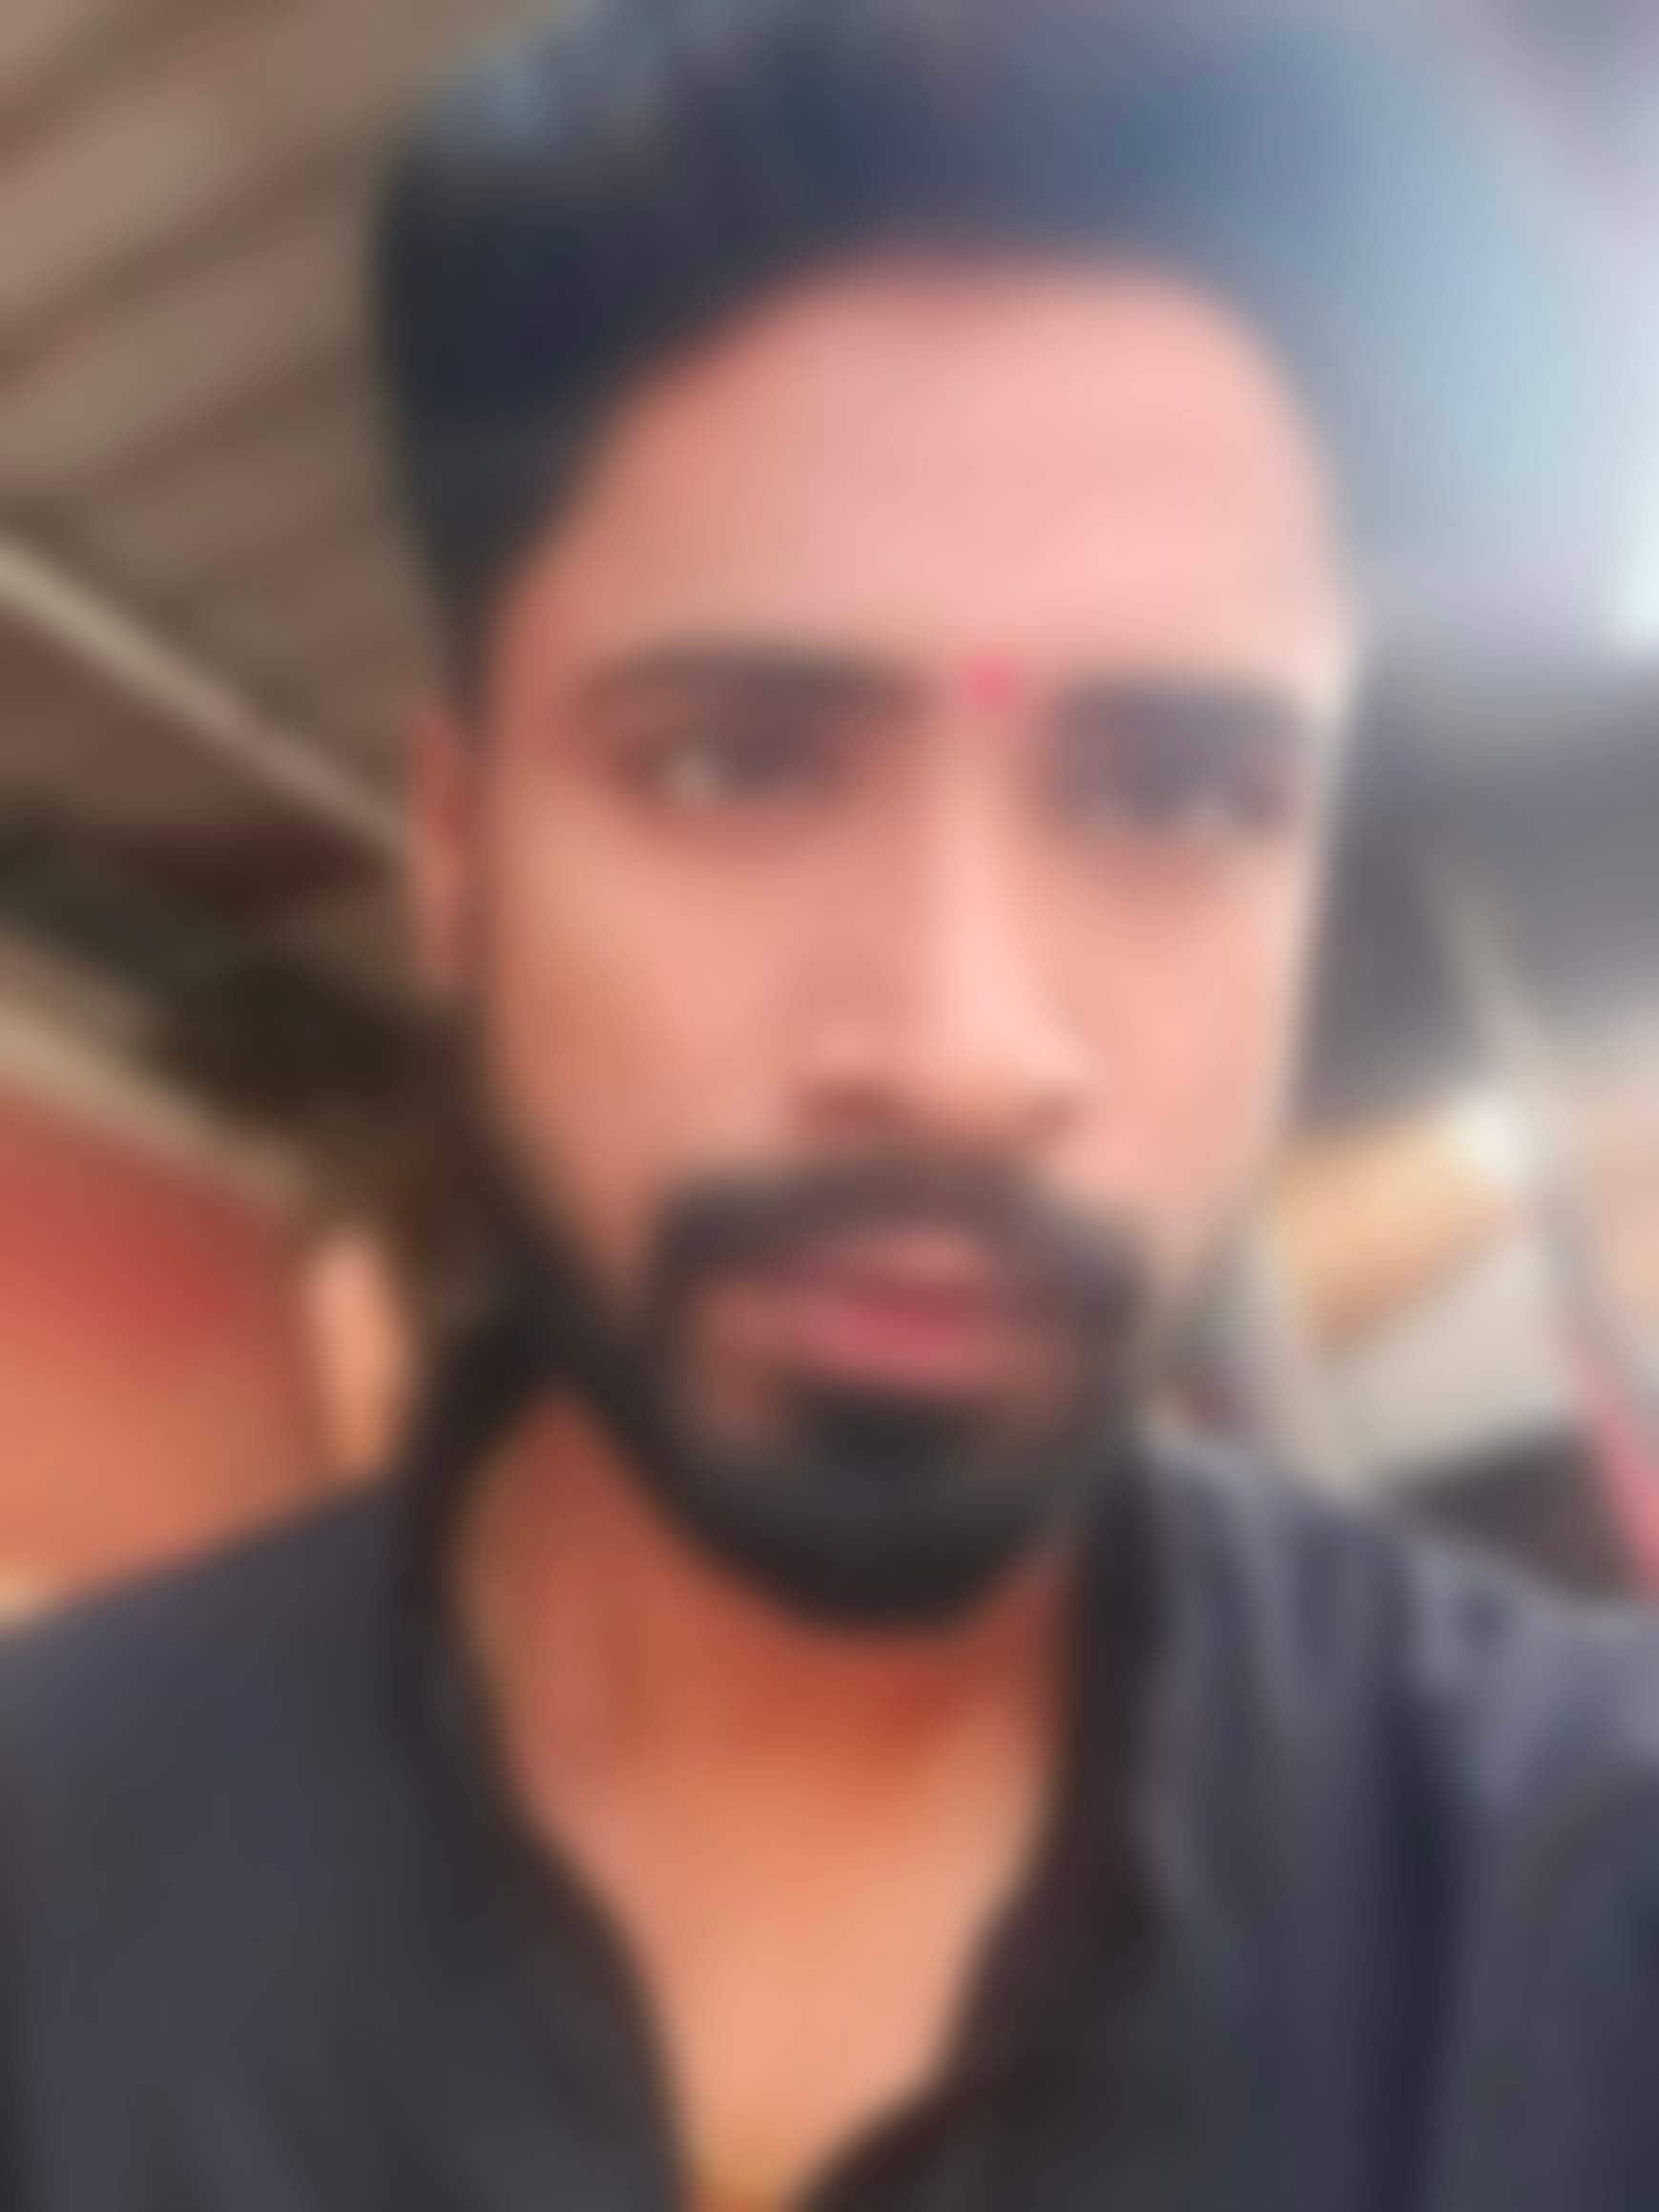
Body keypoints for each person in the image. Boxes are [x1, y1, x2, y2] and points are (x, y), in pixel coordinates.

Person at [3, 7, 1655, 2208]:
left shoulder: (1578, 1899)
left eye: (1176, 791)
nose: (963, 1048)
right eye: (732, 759)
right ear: (457, 850)